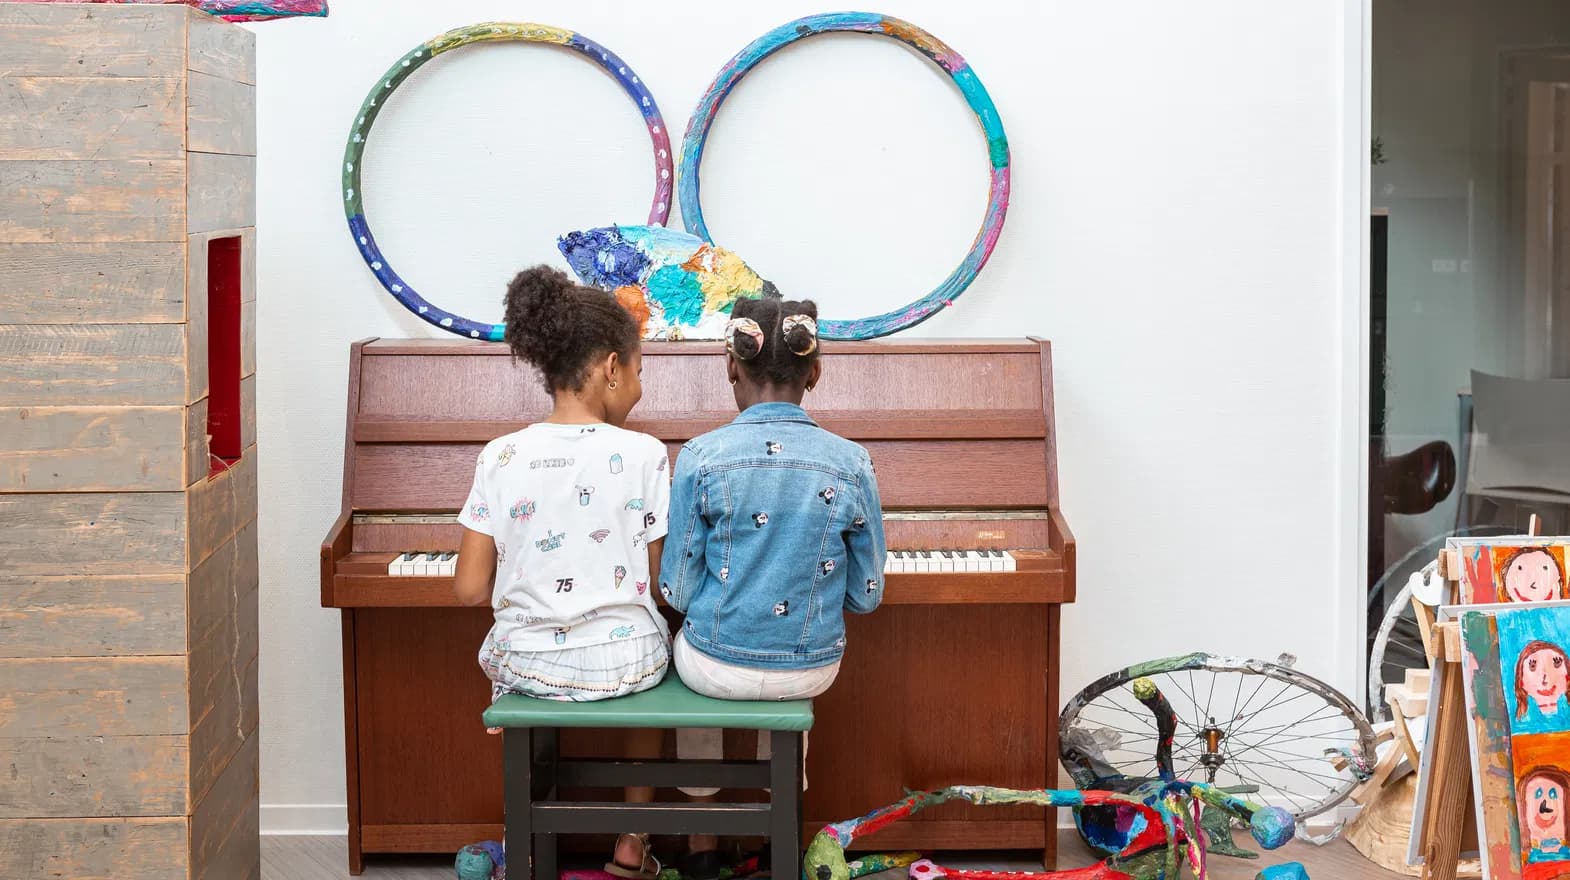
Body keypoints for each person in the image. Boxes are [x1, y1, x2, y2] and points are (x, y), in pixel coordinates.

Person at [452, 266, 669, 880]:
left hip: (529, 663)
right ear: (609, 367)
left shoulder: (501, 455)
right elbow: (656, 584)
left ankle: (516, 838)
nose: (640, 387)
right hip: (630, 665)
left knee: (508, 650)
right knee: (647, 641)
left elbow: (469, 588)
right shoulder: (646, 453)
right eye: (639, 370)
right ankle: (633, 839)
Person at [659, 294, 886, 877]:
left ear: (731, 366)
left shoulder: (701, 457)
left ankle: (702, 844)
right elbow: (867, 595)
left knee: (693, 651)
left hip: (714, 666)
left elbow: (677, 592)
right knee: (787, 678)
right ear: (816, 371)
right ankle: (776, 834)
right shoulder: (852, 461)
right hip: (810, 665)